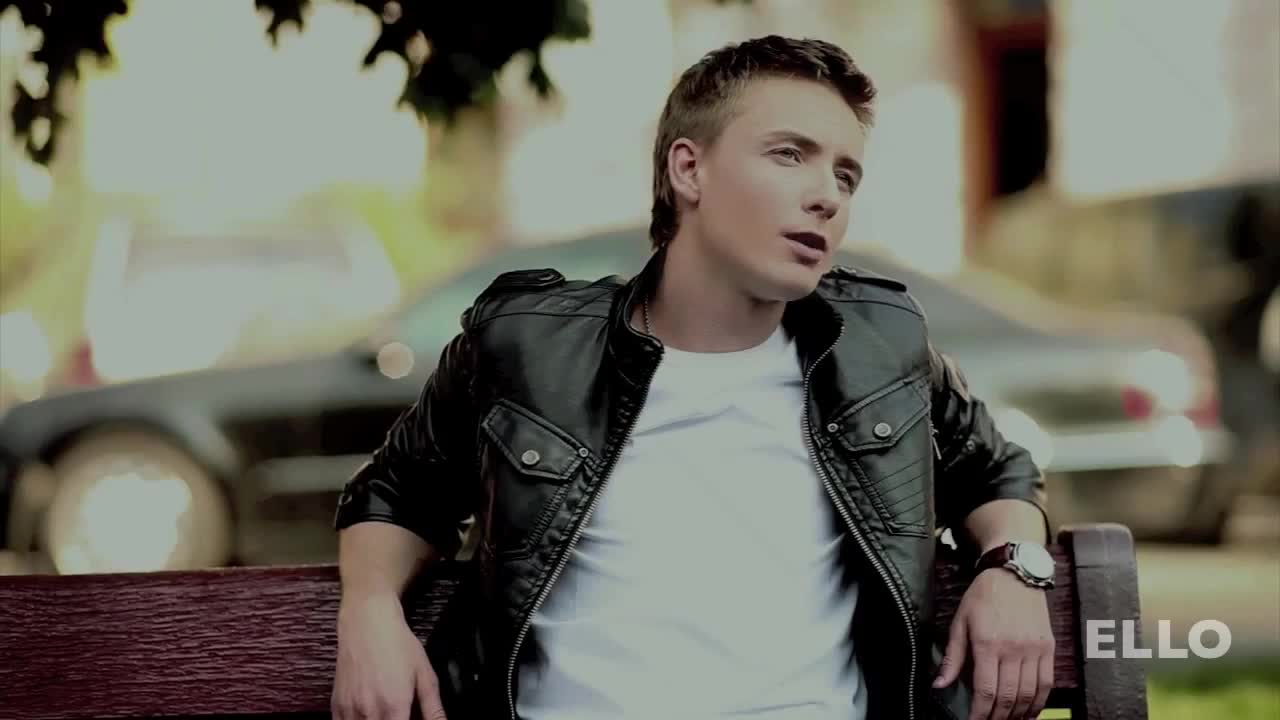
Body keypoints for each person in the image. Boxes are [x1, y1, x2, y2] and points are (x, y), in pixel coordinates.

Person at [330, 35, 1054, 720]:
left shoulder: (877, 347)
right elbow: (397, 494)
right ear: (688, 169)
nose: (827, 196)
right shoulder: (530, 347)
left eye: (845, 174)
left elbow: (999, 473)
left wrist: (1013, 569)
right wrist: (369, 612)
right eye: (789, 154)